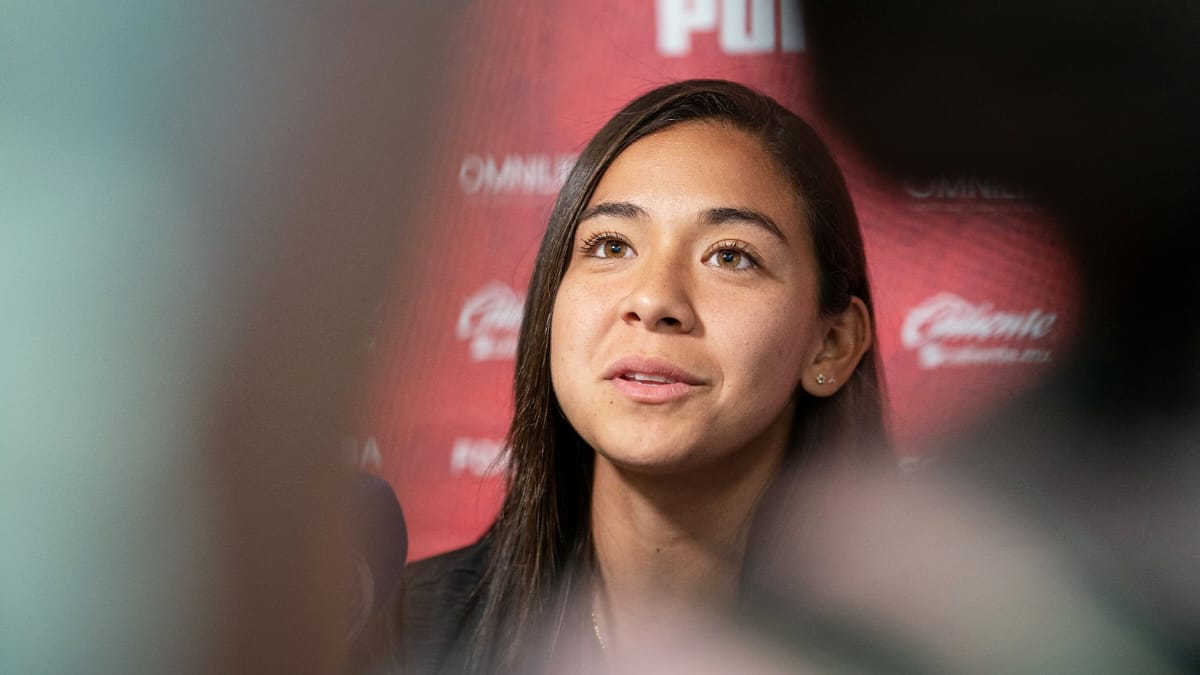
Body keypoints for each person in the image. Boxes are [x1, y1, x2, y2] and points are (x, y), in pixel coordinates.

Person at [397, 79, 891, 675]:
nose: (654, 299)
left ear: (833, 345)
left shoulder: (954, 648)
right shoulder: (396, 637)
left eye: (730, 255)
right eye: (611, 246)